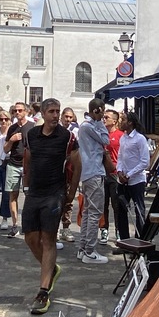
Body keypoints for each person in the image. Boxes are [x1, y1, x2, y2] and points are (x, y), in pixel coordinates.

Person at [22, 98, 73, 315]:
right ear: (42, 113)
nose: (55, 115)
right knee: (30, 238)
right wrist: (25, 185)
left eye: (57, 111)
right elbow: (27, 159)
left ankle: (43, 292)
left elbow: (76, 163)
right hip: (34, 192)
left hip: (55, 193)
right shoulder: (32, 135)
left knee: (48, 238)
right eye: (51, 111)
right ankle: (51, 269)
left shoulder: (66, 136)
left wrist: (70, 192)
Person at [77, 99, 109, 264]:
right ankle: (89, 250)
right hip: (94, 172)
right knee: (94, 212)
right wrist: (101, 122)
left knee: (89, 212)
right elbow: (106, 140)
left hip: (89, 172)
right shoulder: (88, 126)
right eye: (102, 111)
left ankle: (83, 248)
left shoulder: (85, 126)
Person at [115, 112, 150, 241]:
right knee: (122, 210)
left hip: (136, 180)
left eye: (123, 120)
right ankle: (125, 240)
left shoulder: (140, 139)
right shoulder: (123, 138)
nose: (120, 122)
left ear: (130, 122)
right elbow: (120, 157)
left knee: (139, 210)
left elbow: (145, 162)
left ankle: (140, 239)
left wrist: (129, 174)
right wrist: (119, 171)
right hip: (123, 180)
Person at [3, 102, 34, 238]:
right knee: (12, 195)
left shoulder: (32, 127)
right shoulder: (12, 128)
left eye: (20, 110)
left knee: (30, 195)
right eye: (15, 111)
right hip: (13, 164)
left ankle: (28, 224)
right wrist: (11, 140)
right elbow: (5, 149)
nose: (17, 113)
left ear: (26, 111)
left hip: (28, 166)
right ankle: (15, 225)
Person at [99, 109, 122, 245]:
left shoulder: (120, 135)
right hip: (102, 172)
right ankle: (104, 229)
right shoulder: (100, 134)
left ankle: (119, 230)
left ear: (114, 121)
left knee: (116, 204)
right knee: (103, 204)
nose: (104, 119)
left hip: (114, 173)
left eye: (107, 117)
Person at [57, 107, 79, 243]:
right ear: (61, 117)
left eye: (70, 117)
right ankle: (54, 228)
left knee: (68, 200)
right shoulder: (56, 130)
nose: (68, 120)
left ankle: (66, 227)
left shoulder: (75, 132)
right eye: (66, 117)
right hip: (56, 170)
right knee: (56, 201)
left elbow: (77, 152)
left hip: (69, 170)